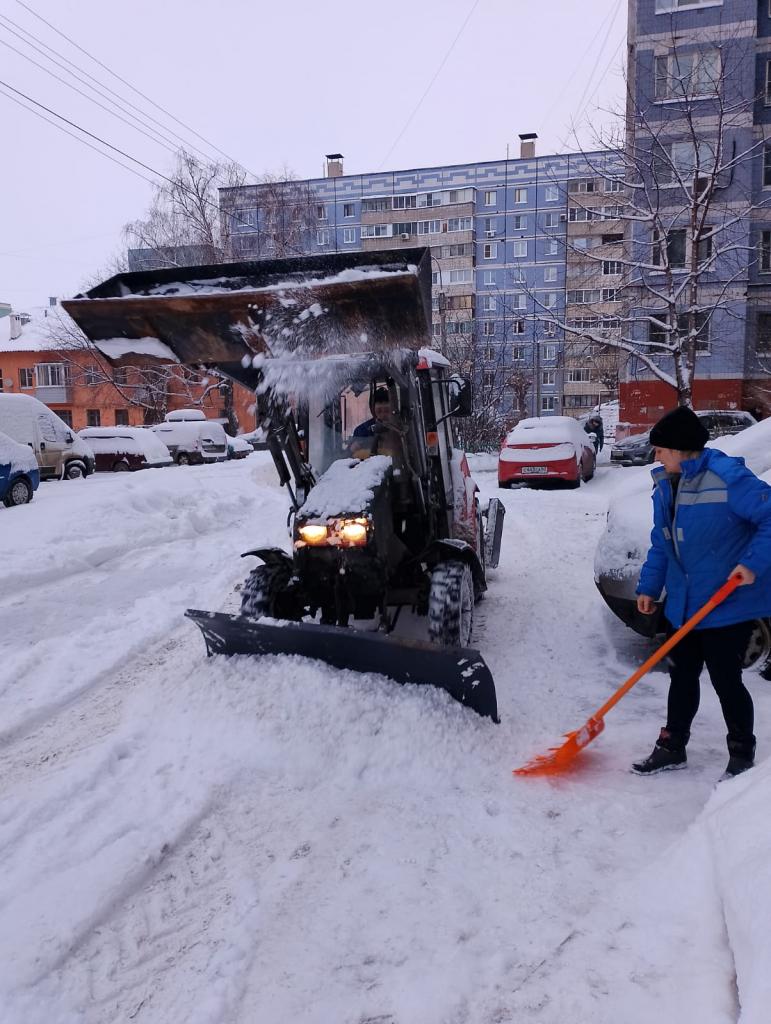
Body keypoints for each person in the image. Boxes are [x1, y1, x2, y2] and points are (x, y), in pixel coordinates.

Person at [632, 405, 771, 778]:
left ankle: (741, 755)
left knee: (727, 681)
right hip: (683, 604)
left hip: (726, 603)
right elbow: (662, 543)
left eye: (660, 449)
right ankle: (672, 746)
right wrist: (649, 587)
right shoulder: (665, 485)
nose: (655, 455)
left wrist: (752, 565)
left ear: (679, 449)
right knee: (681, 676)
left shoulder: (727, 477)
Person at [349, 387, 403, 460]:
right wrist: (352, 449)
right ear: (372, 409)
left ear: (393, 409)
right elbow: (350, 458)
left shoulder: (401, 428)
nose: (383, 415)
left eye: (387, 411)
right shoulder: (361, 431)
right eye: (379, 411)